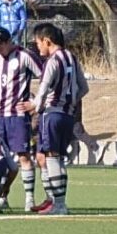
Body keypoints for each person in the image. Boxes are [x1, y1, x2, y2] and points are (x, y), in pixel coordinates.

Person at [17, 23, 89, 215]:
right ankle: (56, 201)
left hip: (52, 114)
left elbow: (44, 87)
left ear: (47, 41)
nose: (37, 47)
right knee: (52, 157)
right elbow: (84, 88)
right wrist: (70, 100)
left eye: (38, 43)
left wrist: (35, 105)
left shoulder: (52, 61)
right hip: (67, 115)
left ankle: (58, 204)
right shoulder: (72, 58)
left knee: (52, 157)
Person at [0, 28, 42, 211]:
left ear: (8, 41)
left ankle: (29, 199)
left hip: (18, 117)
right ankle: (0, 196)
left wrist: (34, 102)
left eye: (0, 45)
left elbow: (45, 76)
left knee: (23, 157)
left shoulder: (25, 56)